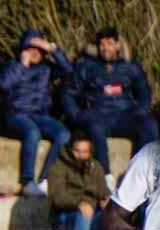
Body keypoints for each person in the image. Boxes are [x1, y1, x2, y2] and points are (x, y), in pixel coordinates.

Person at [62, 27, 157, 191]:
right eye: (102, 44)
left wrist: (141, 111)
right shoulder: (86, 67)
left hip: (126, 114)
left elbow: (144, 93)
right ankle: (106, 176)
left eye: (110, 44)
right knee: (95, 128)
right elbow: (68, 94)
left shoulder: (131, 67)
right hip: (99, 115)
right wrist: (78, 115)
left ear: (118, 46)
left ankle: (141, 173)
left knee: (150, 126)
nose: (105, 48)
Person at [0, 29, 72, 197]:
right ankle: (27, 181)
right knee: (32, 132)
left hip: (41, 115)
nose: (35, 53)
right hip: (16, 115)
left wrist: (53, 49)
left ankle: (45, 179)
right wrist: (21, 66)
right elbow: (3, 85)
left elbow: (68, 71)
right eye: (32, 48)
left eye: (39, 50)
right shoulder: (12, 66)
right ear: (24, 49)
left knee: (63, 134)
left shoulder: (46, 68)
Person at [47, 132, 122, 230]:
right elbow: (57, 197)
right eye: (77, 151)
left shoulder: (95, 166)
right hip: (65, 216)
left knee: (112, 214)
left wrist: (106, 199)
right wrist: (79, 203)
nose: (81, 155)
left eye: (85, 152)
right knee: (84, 212)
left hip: (91, 215)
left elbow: (103, 191)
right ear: (70, 150)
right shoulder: (58, 167)